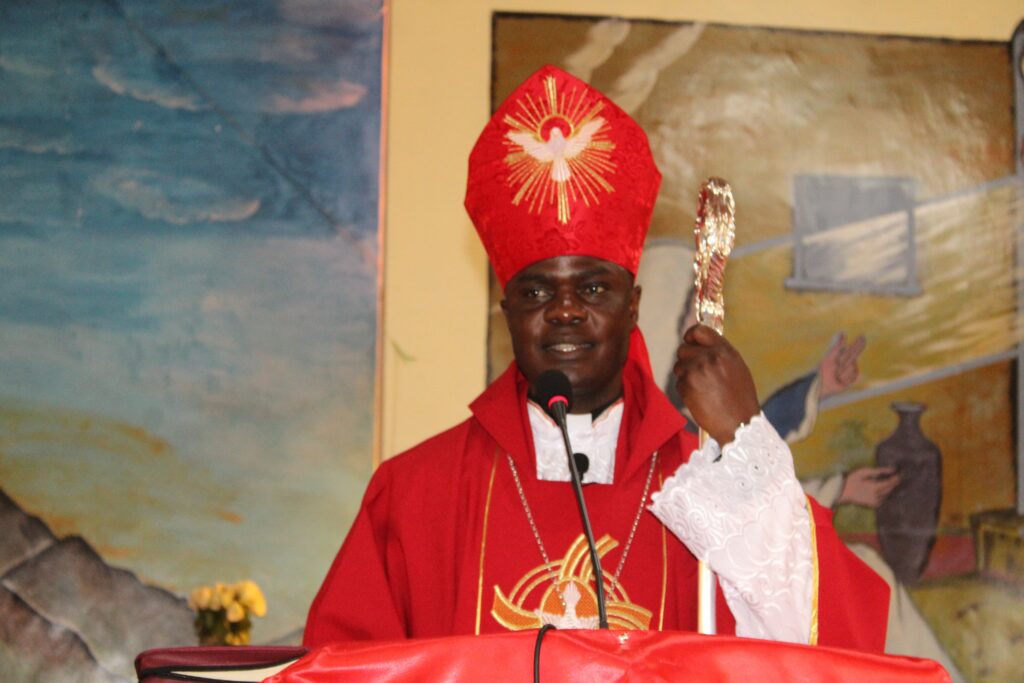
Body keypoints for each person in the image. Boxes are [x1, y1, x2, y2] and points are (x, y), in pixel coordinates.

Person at [303, 65, 888, 651]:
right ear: (508, 313)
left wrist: (742, 439)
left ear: (633, 307)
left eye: (592, 289)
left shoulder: (712, 487)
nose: (564, 310)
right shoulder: (418, 494)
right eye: (537, 292)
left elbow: (830, 642)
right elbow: (341, 664)